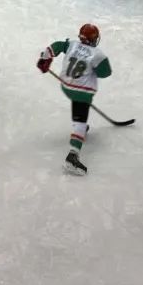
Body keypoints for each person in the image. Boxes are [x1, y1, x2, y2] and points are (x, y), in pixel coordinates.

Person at [36, 23, 112, 175]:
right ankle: (72, 157)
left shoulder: (72, 44)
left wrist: (44, 59)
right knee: (80, 121)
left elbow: (55, 46)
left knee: (79, 110)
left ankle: (81, 127)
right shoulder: (98, 54)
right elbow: (105, 73)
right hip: (82, 93)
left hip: (66, 86)